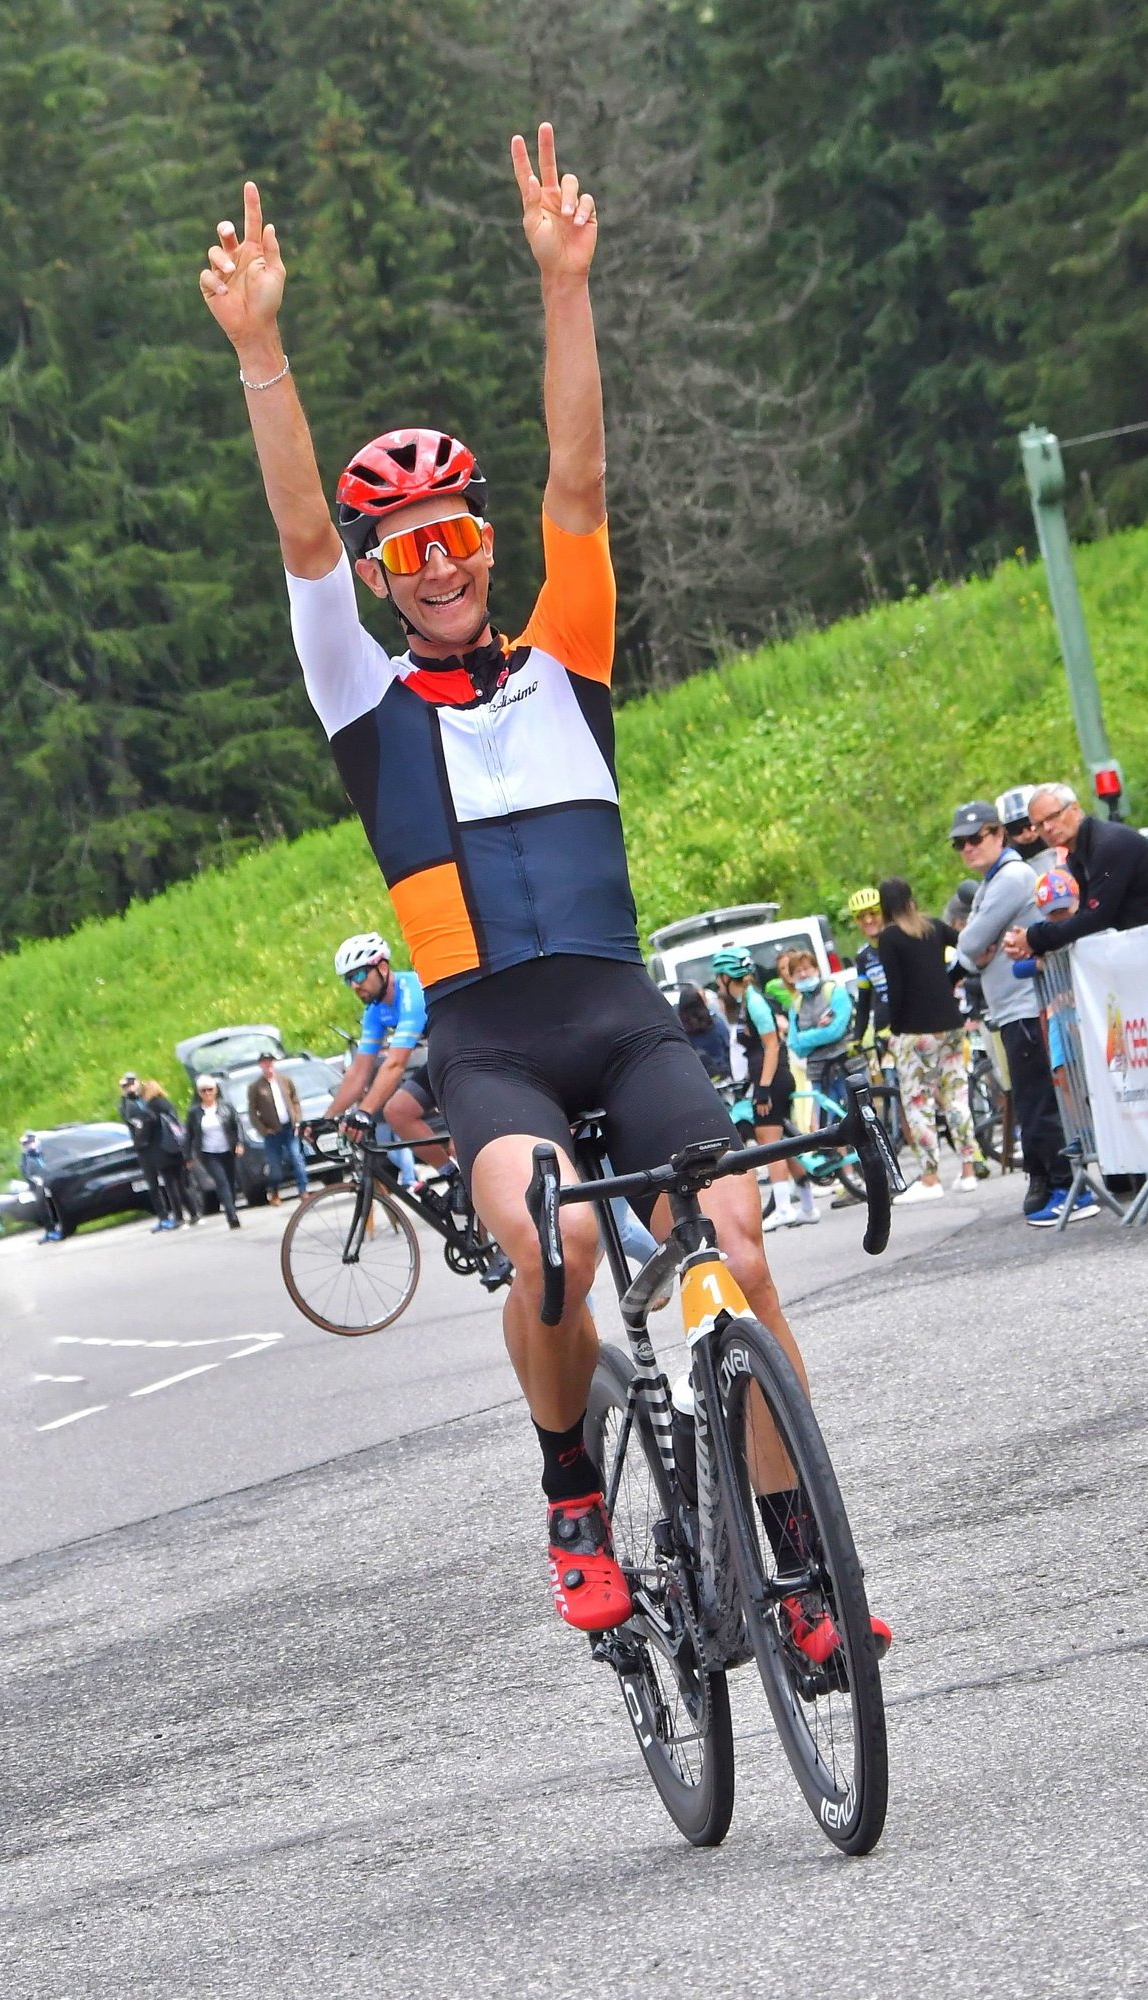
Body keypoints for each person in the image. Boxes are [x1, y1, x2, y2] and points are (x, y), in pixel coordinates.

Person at [199, 128, 884, 1658]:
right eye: (407, 550)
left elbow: (579, 469)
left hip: (619, 1014)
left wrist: (565, 288)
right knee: (558, 1245)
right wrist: (262, 352)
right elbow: (303, 537)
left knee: (738, 1240)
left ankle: (800, 1563)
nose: (434, 563)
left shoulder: (568, 657)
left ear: (486, 546)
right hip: (491, 1044)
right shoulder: (364, 704)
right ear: (385, 581)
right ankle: (573, 1487)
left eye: (455, 535)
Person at [949, 801, 1091, 1226]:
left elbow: (970, 944)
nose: (968, 848)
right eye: (960, 843)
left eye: (976, 838)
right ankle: (1047, 1179)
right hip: (1010, 1006)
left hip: (1029, 1004)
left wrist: (977, 949)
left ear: (998, 834)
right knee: (1029, 1100)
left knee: (1040, 1100)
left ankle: (1067, 1185)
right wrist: (976, 950)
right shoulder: (990, 883)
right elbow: (971, 950)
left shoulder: (1012, 876)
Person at [875, 877, 979, 1200]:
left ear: (884, 906)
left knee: (918, 1103)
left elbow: (896, 990)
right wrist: (951, 978)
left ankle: (931, 1177)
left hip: (915, 1031)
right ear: (910, 899)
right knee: (956, 1095)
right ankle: (968, 1170)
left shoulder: (889, 937)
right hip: (950, 1023)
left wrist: (895, 1029)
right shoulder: (933, 927)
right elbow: (968, 944)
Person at [1003, 784, 1148, 960]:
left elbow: (1096, 918)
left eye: (1053, 816)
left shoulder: (1106, 844)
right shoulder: (1078, 852)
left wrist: (1033, 938)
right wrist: (1033, 944)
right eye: (1040, 825)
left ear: (1075, 808)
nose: (1048, 828)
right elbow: (1086, 916)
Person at [711, 945, 817, 1232]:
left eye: (718, 976)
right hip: (767, 1078)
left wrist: (763, 1089)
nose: (717, 983)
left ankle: (783, 1207)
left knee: (769, 1146)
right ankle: (808, 1205)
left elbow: (772, 1045)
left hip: (772, 1079)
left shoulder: (755, 1003)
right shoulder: (747, 1000)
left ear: (726, 976)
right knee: (783, 1145)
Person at [323, 934, 450, 1171]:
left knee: (462, 1142)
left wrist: (364, 1113)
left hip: (469, 1054)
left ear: (382, 967)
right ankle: (451, 1176)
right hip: (443, 1058)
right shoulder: (375, 1010)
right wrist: (327, 1119)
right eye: (347, 979)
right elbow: (358, 1072)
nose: (354, 985)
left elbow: (394, 1064)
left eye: (358, 975)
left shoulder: (412, 991)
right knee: (397, 1112)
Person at [783, 945, 854, 1106]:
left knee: (860, 1116)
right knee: (827, 1123)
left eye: (806, 969)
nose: (802, 974)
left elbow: (836, 1031)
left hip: (847, 1065)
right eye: (797, 972)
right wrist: (819, 1033)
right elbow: (795, 1045)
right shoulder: (796, 1005)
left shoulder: (835, 991)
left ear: (816, 969)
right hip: (818, 1073)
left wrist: (804, 1037)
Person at [247, 1051, 308, 1203]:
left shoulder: (285, 1080)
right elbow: (252, 1112)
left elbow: (295, 1101)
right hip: (272, 1132)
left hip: (289, 1129)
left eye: (270, 1062)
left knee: (296, 1158)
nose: (268, 1065)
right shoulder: (256, 1087)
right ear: (260, 1065)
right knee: (275, 1166)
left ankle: (303, 1191)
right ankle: (274, 1191)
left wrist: (297, 1121)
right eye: (265, 1062)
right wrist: (263, 1129)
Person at [186, 1077, 246, 1228]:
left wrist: (239, 1143)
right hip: (209, 1153)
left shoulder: (226, 1107)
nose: (207, 1093)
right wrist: (188, 1157)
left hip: (228, 1150)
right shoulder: (194, 1113)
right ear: (199, 1093)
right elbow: (189, 1135)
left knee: (231, 1183)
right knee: (222, 1182)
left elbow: (237, 1124)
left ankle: (231, 1206)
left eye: (210, 1089)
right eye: (203, 1090)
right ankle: (231, 1216)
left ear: (215, 1090)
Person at [138, 1078, 194, 1231]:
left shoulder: (149, 1109)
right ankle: (194, 1212)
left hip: (161, 1150)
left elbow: (146, 1133)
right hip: (177, 1147)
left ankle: (179, 1216)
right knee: (181, 1183)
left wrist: (140, 1135)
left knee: (170, 1185)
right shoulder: (167, 1104)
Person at [119, 1070, 173, 1226]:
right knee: (152, 1183)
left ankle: (175, 1211)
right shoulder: (126, 1104)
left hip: (157, 1143)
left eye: (131, 1084)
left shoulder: (147, 1096)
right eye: (125, 1086)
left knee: (168, 1178)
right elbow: (138, 1119)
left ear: (137, 1082)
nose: (129, 1088)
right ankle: (163, 1216)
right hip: (142, 1146)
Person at [845, 885, 891, 1044]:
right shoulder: (863, 957)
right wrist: (857, 1037)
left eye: (873, 913)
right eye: (861, 916)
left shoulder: (901, 942)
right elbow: (864, 1000)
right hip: (883, 1030)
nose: (868, 920)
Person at [996, 784, 1057, 876]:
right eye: (1015, 829)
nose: (1027, 835)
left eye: (1031, 825)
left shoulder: (1064, 848)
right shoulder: (1006, 867)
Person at [674, 985, 731, 1081]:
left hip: (696, 1080)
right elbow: (728, 1047)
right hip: (722, 1076)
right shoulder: (717, 1024)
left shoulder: (679, 1032)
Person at [19, 1132, 64, 1243]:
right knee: (43, 1207)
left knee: (57, 1204)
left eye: (30, 1142)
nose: (28, 1146)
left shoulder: (45, 1152)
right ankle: (51, 1230)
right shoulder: (25, 1159)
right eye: (26, 1144)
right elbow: (27, 1173)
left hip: (52, 1182)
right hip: (38, 1185)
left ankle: (60, 1227)